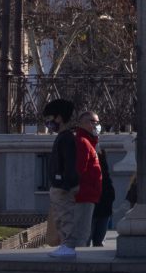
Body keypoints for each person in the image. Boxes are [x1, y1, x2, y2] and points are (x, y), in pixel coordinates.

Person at [44, 98, 82, 256]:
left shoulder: (66, 138)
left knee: (65, 216)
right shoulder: (64, 137)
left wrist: (64, 183)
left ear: (59, 118)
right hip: (60, 186)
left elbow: (69, 164)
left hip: (63, 187)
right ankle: (66, 244)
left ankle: (68, 244)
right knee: (60, 216)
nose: (49, 123)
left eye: (50, 118)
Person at [78, 114, 112, 247]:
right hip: (88, 196)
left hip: (102, 198)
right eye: (94, 122)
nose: (97, 125)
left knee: (98, 240)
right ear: (84, 123)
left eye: (98, 122)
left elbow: (104, 173)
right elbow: (80, 171)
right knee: (84, 237)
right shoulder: (82, 143)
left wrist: (109, 194)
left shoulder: (95, 145)